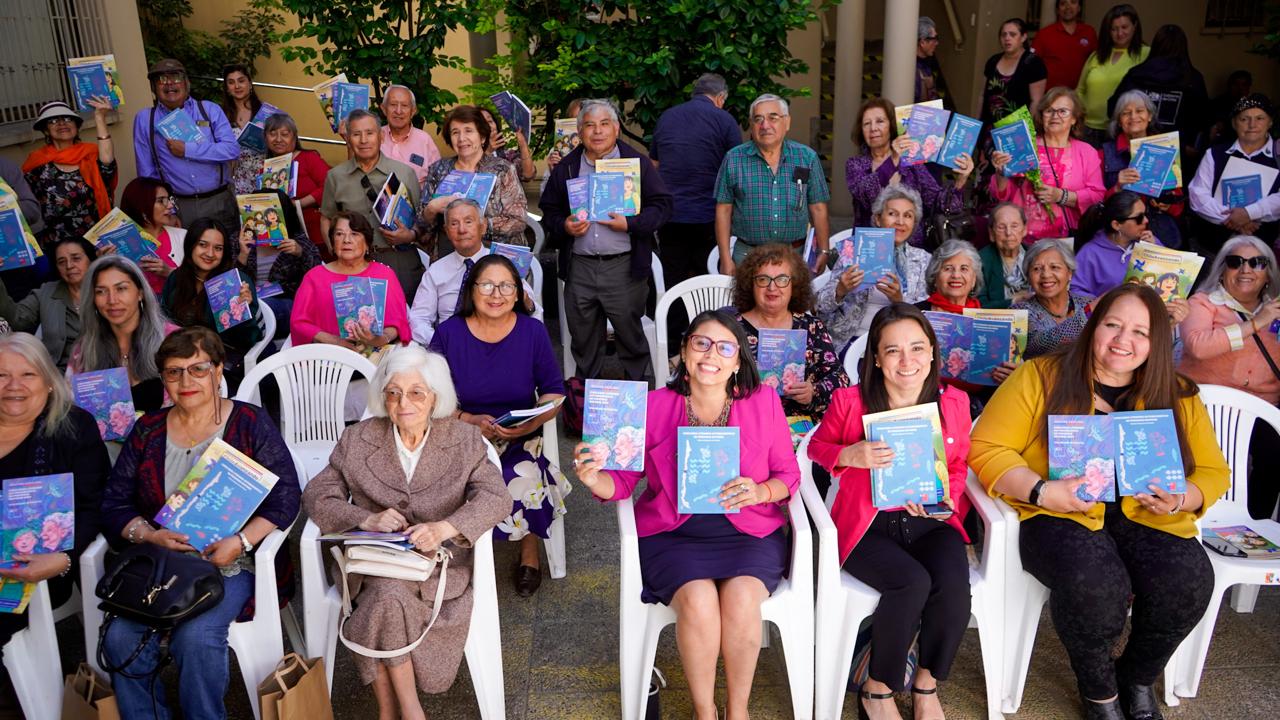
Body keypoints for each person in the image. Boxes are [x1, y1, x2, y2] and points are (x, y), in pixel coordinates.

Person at [969, 283, 1229, 720]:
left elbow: (1212, 472)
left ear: (1157, 342)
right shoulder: (1040, 375)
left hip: (1146, 513)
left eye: (1140, 332)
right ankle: (1100, 693)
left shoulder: (1178, 392)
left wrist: (1183, 497)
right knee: (1097, 589)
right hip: (1057, 513)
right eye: (1113, 325)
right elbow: (986, 447)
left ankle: (1137, 678)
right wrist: (1041, 490)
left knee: (1189, 582)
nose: (1123, 341)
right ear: (1094, 326)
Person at [572, 310, 800, 720]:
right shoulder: (652, 406)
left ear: (737, 362)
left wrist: (760, 490)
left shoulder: (763, 401)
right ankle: (704, 711)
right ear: (683, 351)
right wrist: (593, 477)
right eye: (701, 343)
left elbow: (789, 475)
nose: (711, 354)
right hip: (673, 536)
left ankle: (739, 710)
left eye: (725, 347)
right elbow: (621, 484)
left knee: (742, 599)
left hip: (749, 533)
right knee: (697, 602)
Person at [100, 327, 301, 720]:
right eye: (174, 372)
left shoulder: (249, 422)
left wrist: (241, 541)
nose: (186, 381)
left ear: (218, 370)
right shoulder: (148, 430)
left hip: (229, 564)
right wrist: (150, 535)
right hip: (163, 565)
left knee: (196, 638)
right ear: (164, 379)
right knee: (119, 638)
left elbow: (287, 495)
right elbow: (114, 504)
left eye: (198, 369)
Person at [303, 345, 508, 717]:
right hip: (370, 564)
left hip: (438, 568)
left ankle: (389, 710)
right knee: (386, 592)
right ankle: (410, 710)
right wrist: (365, 518)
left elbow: (497, 498)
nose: (403, 403)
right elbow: (317, 495)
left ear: (435, 397)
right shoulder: (358, 438)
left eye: (416, 393)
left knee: (385, 599)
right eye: (393, 393)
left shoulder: (463, 439)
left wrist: (446, 527)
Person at [809, 303, 972, 720]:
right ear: (877, 359)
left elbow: (957, 466)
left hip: (928, 522)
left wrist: (946, 499)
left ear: (933, 353)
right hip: (869, 527)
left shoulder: (954, 402)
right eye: (893, 350)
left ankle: (926, 683)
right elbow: (815, 449)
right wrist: (850, 453)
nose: (907, 361)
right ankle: (877, 687)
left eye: (917, 348)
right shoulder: (850, 402)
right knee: (911, 583)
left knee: (953, 585)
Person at [430, 255, 567, 596]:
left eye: (506, 285)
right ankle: (461, 551)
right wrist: (468, 420)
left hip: (518, 435)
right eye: (487, 285)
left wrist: (531, 421)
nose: (497, 294)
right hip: (460, 435)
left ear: (518, 292)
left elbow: (553, 391)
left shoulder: (532, 332)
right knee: (454, 480)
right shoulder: (448, 333)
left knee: (521, 476)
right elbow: (430, 397)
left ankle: (529, 551)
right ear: (471, 290)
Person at [0, 333, 110, 681]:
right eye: (1, 375)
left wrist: (63, 558)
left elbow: (96, 506)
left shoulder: (74, 428)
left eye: (28, 375)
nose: (13, 385)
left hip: (35, 567)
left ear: (49, 382)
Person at [540, 98, 674, 382]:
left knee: (630, 336)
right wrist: (563, 225)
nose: (597, 131)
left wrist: (631, 223)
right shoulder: (567, 167)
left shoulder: (636, 163)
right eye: (589, 125)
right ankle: (589, 402)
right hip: (581, 267)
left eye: (604, 124)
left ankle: (637, 399)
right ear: (579, 131)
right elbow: (548, 210)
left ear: (615, 128)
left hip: (624, 266)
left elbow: (662, 205)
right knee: (584, 337)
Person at [1178, 235, 1280, 520]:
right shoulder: (1203, 302)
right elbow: (1198, 346)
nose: (1246, 270)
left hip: (1263, 407)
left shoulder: (1277, 307)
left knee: (1274, 456)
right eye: (1236, 262)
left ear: (1268, 273)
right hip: (1206, 407)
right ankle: (1194, 521)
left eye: (1257, 263)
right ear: (1222, 269)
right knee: (1200, 464)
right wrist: (1255, 324)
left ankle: (1256, 525)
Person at [650, 73, 742, 347]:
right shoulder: (724, 120)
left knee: (675, 280)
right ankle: (708, 339)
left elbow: (654, 164)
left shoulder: (667, 117)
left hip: (672, 215)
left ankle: (675, 343)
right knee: (709, 282)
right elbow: (738, 166)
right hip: (709, 216)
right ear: (720, 98)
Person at [731, 243, 849, 425]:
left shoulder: (811, 327)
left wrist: (813, 391)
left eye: (782, 279)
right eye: (763, 279)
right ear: (750, 284)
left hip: (799, 424)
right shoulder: (731, 330)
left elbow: (840, 379)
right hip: (747, 422)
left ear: (794, 285)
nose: (772, 287)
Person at [714, 94, 831, 273]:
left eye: (772, 118)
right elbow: (723, 210)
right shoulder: (734, 159)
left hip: (794, 256)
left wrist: (823, 249)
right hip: (748, 256)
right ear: (751, 126)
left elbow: (818, 207)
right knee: (745, 302)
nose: (765, 125)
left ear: (787, 122)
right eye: (758, 119)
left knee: (794, 302)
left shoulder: (806, 157)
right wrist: (725, 258)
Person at [320, 108, 424, 303]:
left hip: (398, 259)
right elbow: (327, 217)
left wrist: (409, 235)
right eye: (356, 134)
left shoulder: (404, 173)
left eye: (370, 133)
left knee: (404, 321)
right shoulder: (336, 177)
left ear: (381, 136)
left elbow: (422, 220)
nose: (363, 140)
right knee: (358, 323)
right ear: (348, 138)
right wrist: (334, 249)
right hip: (354, 263)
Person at [817, 185, 931, 353]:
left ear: (914, 224)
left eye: (908, 216)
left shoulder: (922, 260)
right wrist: (840, 290)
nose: (900, 221)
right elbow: (820, 306)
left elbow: (923, 319)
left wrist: (899, 301)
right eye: (892, 214)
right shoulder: (855, 249)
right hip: (847, 340)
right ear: (878, 219)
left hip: (897, 345)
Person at [409, 198, 538, 345]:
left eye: (468, 221)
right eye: (454, 223)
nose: (462, 229)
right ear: (447, 231)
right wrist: (442, 342)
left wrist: (524, 299)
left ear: (482, 227)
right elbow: (418, 319)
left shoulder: (502, 263)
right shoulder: (436, 271)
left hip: (499, 344)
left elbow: (533, 310)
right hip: (449, 348)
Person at [846, 97, 971, 247]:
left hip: (912, 250)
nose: (873, 128)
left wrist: (961, 180)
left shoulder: (911, 164)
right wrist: (893, 159)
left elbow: (939, 203)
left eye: (880, 121)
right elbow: (867, 195)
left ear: (891, 126)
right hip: (869, 248)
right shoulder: (856, 164)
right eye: (867, 123)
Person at [132, 58, 240, 231]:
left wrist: (188, 150)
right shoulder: (145, 119)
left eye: (175, 77)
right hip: (179, 207)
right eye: (161, 80)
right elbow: (147, 175)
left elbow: (232, 150)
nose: (169, 85)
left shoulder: (209, 109)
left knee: (229, 254)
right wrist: (167, 211)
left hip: (219, 202)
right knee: (185, 258)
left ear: (186, 82)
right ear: (153, 87)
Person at [990, 88, 1105, 242]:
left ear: (1074, 118)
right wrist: (1001, 173)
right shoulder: (1024, 144)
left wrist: (1061, 196)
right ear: (1041, 116)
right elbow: (1001, 196)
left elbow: (1097, 196)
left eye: (1063, 111)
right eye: (1049, 110)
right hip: (1021, 238)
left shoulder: (1087, 152)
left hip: (1065, 240)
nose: (1054, 116)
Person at [161, 218, 262, 388]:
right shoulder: (177, 278)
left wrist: (244, 310)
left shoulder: (233, 282)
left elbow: (249, 340)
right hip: (179, 357)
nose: (210, 253)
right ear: (190, 245)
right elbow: (165, 320)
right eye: (203, 245)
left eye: (218, 248)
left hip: (220, 363)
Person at [70, 256, 177, 412]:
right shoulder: (83, 351)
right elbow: (76, 412)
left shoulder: (174, 340)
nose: (112, 300)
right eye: (101, 291)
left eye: (121, 288)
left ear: (140, 293)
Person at [291, 211, 410, 352]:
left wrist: (378, 340)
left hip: (377, 356)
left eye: (354, 234)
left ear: (367, 243)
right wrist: (333, 341)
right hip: (328, 359)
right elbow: (299, 322)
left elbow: (398, 322)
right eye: (339, 234)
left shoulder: (384, 274)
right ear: (332, 242)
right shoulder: (315, 277)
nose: (346, 240)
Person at [417, 105, 527, 257]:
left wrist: (477, 225)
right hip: (449, 254)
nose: (462, 139)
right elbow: (421, 224)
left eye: (468, 131)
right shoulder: (439, 169)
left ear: (482, 137)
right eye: (455, 132)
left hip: (496, 257)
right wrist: (431, 209)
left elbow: (518, 220)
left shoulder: (503, 169)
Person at [1188, 93, 1280, 253]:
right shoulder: (1215, 154)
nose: (1252, 125)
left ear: (1270, 122)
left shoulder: (1278, 155)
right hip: (1213, 245)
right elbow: (1197, 194)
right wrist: (1232, 218)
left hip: (1263, 246)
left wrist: (1249, 213)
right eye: (1244, 119)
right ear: (1234, 123)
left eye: (1260, 118)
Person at [1100, 90, 1185, 249]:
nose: (1133, 117)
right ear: (1119, 121)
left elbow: (1179, 204)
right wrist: (1117, 187)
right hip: (1119, 235)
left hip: (1159, 232)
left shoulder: (1167, 148)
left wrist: (1168, 204)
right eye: (1126, 113)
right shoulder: (1104, 153)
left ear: (1150, 116)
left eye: (1140, 111)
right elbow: (1095, 202)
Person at [22, 100, 116, 243]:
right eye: (53, 120)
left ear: (77, 127)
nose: (61, 123)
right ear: (46, 130)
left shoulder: (91, 155)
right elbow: (27, 204)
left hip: (97, 241)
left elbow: (107, 161)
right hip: (58, 245)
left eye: (67, 119)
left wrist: (99, 117)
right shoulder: (36, 163)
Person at [235, 188, 322, 338]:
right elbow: (229, 282)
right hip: (246, 299)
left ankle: (255, 343)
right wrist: (243, 255)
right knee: (241, 308)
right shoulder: (241, 241)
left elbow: (319, 275)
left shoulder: (298, 241)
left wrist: (301, 253)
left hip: (285, 302)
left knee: (261, 307)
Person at [1105, 25, 1208, 150]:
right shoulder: (1193, 78)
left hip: (1136, 145)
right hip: (1178, 149)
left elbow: (1113, 108)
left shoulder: (1136, 74)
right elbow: (1202, 118)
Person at [0, 237, 95, 370]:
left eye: (76, 258)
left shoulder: (106, 289)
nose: (69, 265)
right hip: (57, 379)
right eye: (61, 262)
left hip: (105, 377)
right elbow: (17, 320)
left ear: (91, 260)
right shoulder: (46, 292)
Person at [1076, 4, 1149, 147]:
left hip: (1122, 129)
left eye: (1124, 27)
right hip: (1088, 128)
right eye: (1114, 29)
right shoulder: (1096, 56)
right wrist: (1080, 114)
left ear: (1135, 26)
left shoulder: (1145, 54)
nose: (1119, 33)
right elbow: (1080, 89)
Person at [1012, 238, 1094, 359]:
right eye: (1037, 269)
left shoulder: (1087, 303)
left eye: (1054, 267)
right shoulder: (1020, 312)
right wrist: (1088, 312)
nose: (1046, 274)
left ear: (1069, 273)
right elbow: (1041, 345)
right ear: (1028, 277)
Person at [1072, 190, 1162, 298]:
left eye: (1146, 214)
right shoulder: (1090, 253)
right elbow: (1074, 290)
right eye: (1139, 218)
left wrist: (1157, 250)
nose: (1146, 220)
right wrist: (1103, 303)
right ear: (1116, 225)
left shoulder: (1150, 241)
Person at [264, 113, 331, 255]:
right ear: (265, 138)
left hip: (316, 233)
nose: (278, 139)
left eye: (285, 134)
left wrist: (298, 204)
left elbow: (329, 186)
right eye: (273, 134)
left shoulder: (309, 158)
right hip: (284, 240)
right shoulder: (266, 169)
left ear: (294, 137)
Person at [118, 176, 185, 295]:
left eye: (169, 199)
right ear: (142, 206)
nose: (170, 206)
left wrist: (170, 273)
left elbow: (199, 280)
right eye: (161, 201)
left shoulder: (183, 236)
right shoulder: (120, 241)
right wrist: (106, 261)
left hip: (176, 306)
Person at [978, 19, 1047, 129]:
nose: (1007, 38)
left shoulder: (1033, 63)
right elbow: (982, 95)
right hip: (989, 126)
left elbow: (1036, 102)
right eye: (1003, 35)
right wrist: (977, 124)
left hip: (1017, 129)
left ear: (1023, 37)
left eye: (1012, 34)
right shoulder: (993, 61)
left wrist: (1028, 130)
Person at [379, 84, 442, 187]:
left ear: (413, 111)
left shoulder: (424, 140)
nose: (398, 111)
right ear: (384, 108)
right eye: (393, 104)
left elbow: (438, 179)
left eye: (404, 106)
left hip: (417, 201)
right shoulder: (374, 137)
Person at [220, 63, 266, 196]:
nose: (237, 86)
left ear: (250, 83)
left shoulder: (265, 112)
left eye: (241, 81)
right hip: (236, 182)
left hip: (265, 178)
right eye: (231, 82)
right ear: (227, 88)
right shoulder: (221, 116)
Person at [1032, 0, 1098, 92]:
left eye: (1073, 2)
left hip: (1080, 96)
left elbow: (1096, 62)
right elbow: (1031, 64)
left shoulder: (1089, 32)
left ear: (1079, 8)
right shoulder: (1044, 34)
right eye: (1063, 3)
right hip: (1050, 96)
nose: (1068, 7)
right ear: (1057, 10)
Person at [977, 202, 1031, 309]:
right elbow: (978, 304)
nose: (1008, 232)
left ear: (1024, 229)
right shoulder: (980, 261)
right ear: (991, 233)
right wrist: (1013, 301)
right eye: (1001, 227)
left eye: (1014, 226)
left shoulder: (1036, 257)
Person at [478, 106, 536, 182]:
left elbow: (528, 175)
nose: (489, 126)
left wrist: (523, 145)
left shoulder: (507, 154)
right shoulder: (467, 154)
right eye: (482, 123)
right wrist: (488, 151)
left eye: (490, 121)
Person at [915, 17, 953, 109]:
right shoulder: (910, 67)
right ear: (923, 42)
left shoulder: (929, 64)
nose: (937, 43)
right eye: (935, 38)